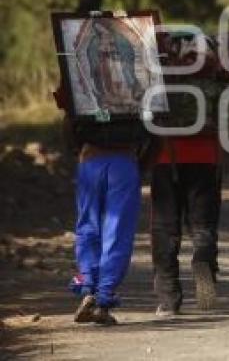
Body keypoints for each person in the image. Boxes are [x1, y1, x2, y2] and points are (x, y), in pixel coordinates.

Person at [151, 32, 229, 316]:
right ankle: (203, 261)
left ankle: (168, 300)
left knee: (165, 229)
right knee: (203, 226)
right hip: (206, 162)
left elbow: (143, 115)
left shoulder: (159, 83)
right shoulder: (215, 84)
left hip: (164, 160)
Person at [54, 84, 156, 326]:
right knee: (117, 231)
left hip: (90, 160)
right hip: (124, 162)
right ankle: (103, 298)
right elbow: (155, 131)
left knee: (87, 227)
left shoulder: (80, 69)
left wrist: (78, 152)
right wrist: (140, 167)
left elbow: (69, 119)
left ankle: (88, 288)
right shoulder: (139, 72)